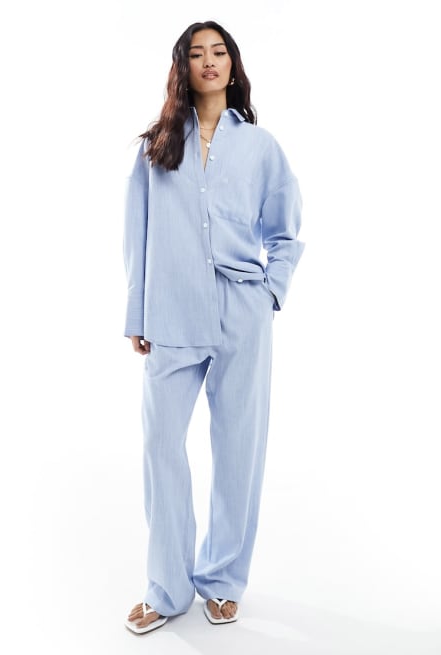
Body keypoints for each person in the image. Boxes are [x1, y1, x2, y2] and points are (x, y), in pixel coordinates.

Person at [122, 20, 304, 634]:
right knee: (160, 445)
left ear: (232, 64)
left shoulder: (260, 148)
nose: (209, 60)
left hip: (241, 314)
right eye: (197, 53)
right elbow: (138, 235)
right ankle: (167, 586)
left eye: (219, 51)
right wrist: (136, 314)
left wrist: (270, 292)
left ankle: (223, 579)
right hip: (171, 313)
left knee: (238, 449)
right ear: (183, 66)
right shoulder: (155, 147)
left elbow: (285, 233)